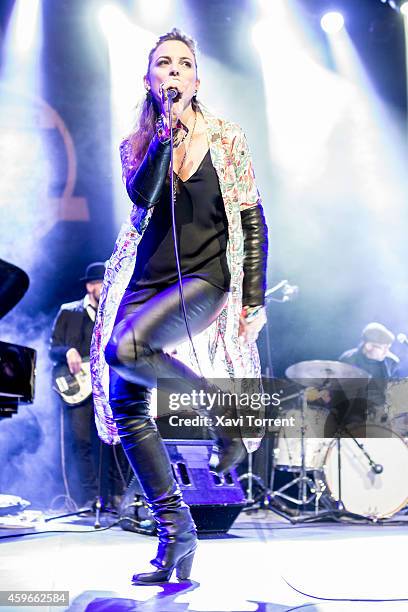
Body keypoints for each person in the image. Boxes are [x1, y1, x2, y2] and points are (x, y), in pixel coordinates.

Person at [91, 28, 268, 584]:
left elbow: (252, 219)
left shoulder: (228, 137)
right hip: (146, 282)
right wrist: (165, 136)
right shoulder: (138, 143)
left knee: (124, 349)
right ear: (150, 78)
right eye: (162, 64)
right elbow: (142, 196)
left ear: (197, 78)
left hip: (206, 280)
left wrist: (254, 298)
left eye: (183, 63)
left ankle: (223, 415)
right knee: (126, 406)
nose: (173, 71)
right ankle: (177, 537)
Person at [50, 262, 128, 507]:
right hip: (78, 385)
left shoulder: (115, 313)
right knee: (82, 441)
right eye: (101, 283)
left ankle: (117, 495)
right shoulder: (69, 311)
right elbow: (52, 348)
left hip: (107, 385)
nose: (105, 288)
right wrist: (68, 351)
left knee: (116, 440)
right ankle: (90, 498)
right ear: (91, 285)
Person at [339, 322, 399, 424]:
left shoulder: (391, 361)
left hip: (382, 415)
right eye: (382, 348)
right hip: (354, 414)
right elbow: (342, 396)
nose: (386, 352)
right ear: (369, 346)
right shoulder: (348, 360)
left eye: (388, 348)